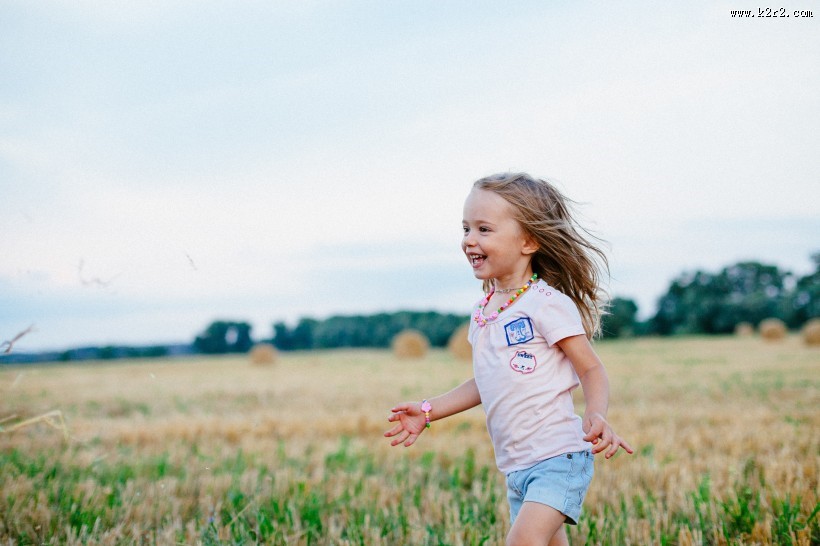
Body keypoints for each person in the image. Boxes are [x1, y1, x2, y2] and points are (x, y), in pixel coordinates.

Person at [384, 172, 633, 546]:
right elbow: (485, 381)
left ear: (528, 241)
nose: (469, 240)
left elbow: (590, 367)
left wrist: (596, 413)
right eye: (466, 228)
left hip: (558, 458)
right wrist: (429, 409)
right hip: (516, 467)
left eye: (484, 229)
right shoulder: (484, 311)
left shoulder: (547, 305)